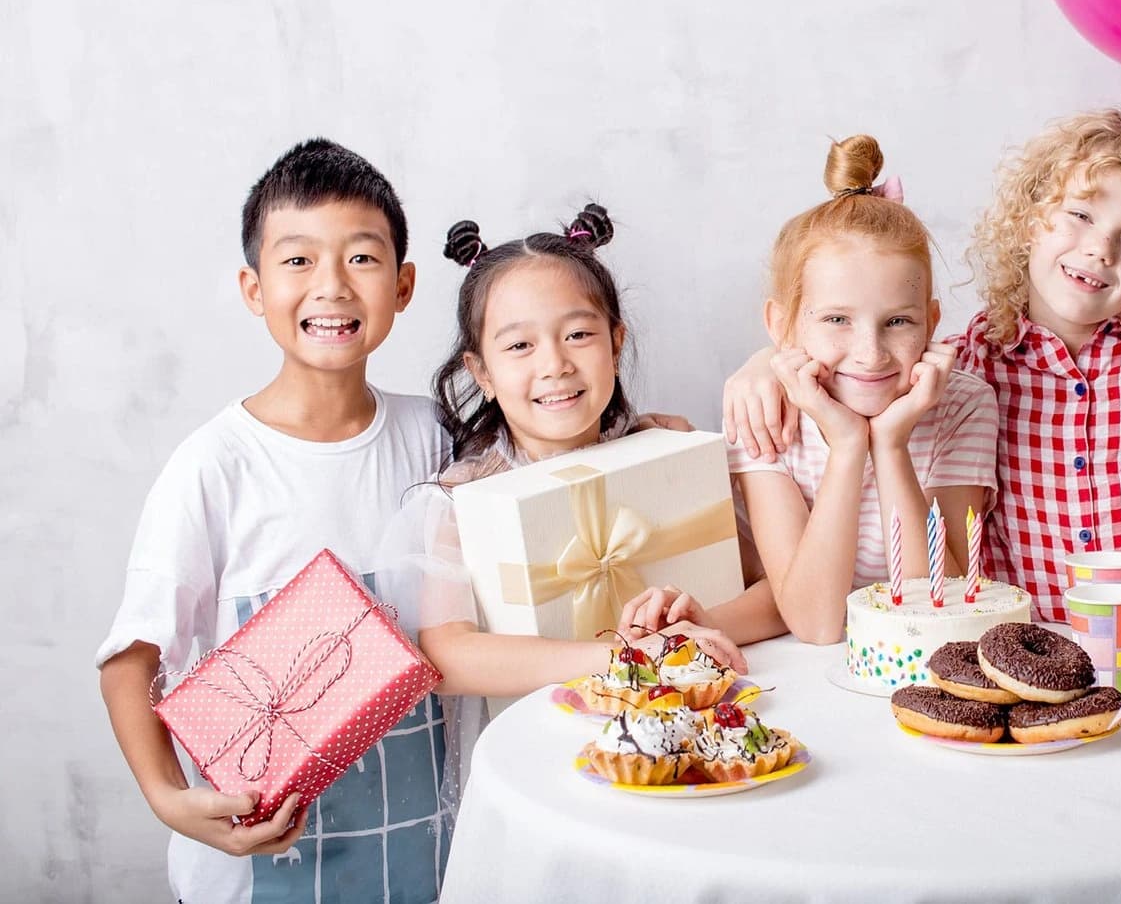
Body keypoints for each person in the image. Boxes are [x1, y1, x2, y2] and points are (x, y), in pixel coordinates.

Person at [97, 138, 452, 903]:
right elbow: (130, 659)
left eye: (362, 258)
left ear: (404, 283)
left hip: (427, 863)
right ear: (254, 289)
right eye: (297, 261)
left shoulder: (441, 436)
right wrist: (170, 800)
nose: (331, 287)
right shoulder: (214, 466)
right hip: (260, 875)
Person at [724, 110, 1121, 618]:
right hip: (1019, 641)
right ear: (1029, 222)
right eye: (1080, 215)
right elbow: (872, 347)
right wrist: (765, 364)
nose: (1099, 249)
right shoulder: (973, 358)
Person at [397, 205, 746, 802]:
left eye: (578, 335)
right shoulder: (460, 498)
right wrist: (623, 657)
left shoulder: (670, 454)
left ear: (616, 341)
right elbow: (447, 656)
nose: (554, 364)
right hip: (541, 759)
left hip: (701, 738)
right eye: (520, 345)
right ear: (480, 372)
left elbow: (767, 587)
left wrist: (695, 635)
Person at [625, 136, 998, 645]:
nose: (871, 353)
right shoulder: (764, 412)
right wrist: (847, 445)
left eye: (897, 321)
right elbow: (817, 624)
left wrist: (889, 445)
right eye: (837, 319)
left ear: (932, 323)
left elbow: (940, 611)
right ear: (782, 324)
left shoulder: (962, 406)